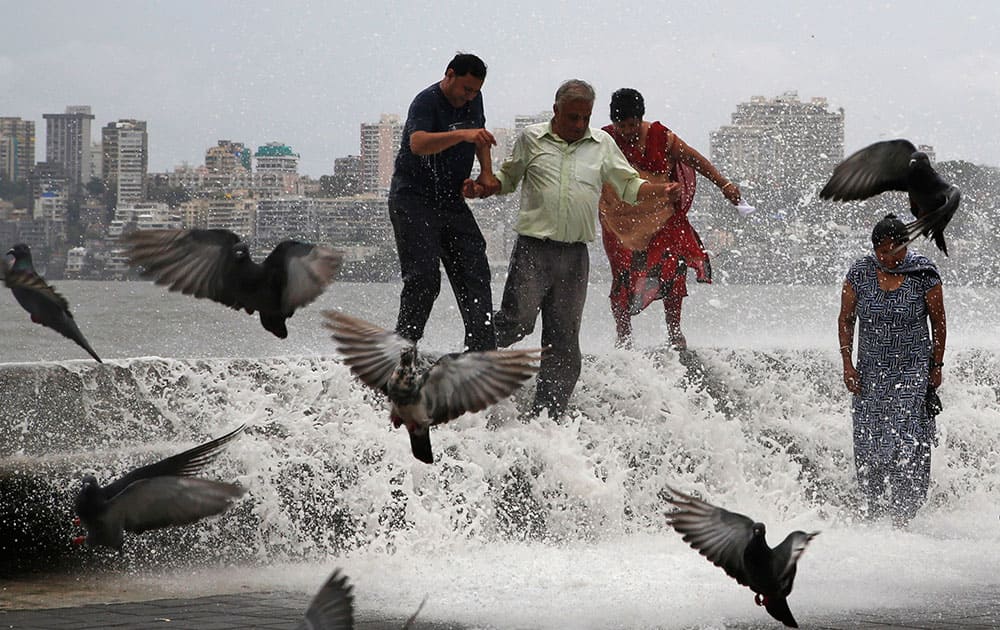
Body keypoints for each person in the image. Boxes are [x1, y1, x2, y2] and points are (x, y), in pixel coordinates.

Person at [474, 79, 680, 418]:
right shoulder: (531, 139)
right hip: (534, 249)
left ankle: (548, 416)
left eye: (585, 118)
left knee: (564, 342)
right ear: (555, 110)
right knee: (517, 322)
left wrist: (662, 190)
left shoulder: (602, 144)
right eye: (572, 117)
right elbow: (507, 181)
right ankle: (464, 369)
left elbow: (628, 186)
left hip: (575, 256)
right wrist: (483, 187)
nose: (579, 125)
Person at [598, 88, 741, 349]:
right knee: (622, 276)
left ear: (640, 119)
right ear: (613, 122)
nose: (627, 131)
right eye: (622, 125)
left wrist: (724, 184)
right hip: (619, 222)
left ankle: (675, 332)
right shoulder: (604, 139)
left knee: (673, 269)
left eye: (632, 124)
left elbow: (695, 159)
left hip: (660, 217)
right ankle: (624, 337)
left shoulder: (659, 136)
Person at [838, 213, 947, 527]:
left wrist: (936, 365)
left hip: (913, 371)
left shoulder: (924, 274)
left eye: (896, 250)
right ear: (874, 249)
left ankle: (903, 516)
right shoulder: (859, 273)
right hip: (870, 372)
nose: (890, 258)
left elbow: (938, 323)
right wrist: (847, 363)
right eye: (883, 252)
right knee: (868, 441)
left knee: (906, 440)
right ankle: (874, 509)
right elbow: (846, 320)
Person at [388, 53, 498, 352]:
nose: (469, 96)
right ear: (449, 74)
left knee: (475, 270)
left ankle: (481, 354)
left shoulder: (475, 99)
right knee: (424, 279)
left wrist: (485, 175)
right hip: (413, 198)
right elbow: (418, 143)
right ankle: (401, 351)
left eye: (475, 90)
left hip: (450, 200)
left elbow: (480, 137)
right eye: (465, 89)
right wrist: (461, 133)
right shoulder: (426, 101)